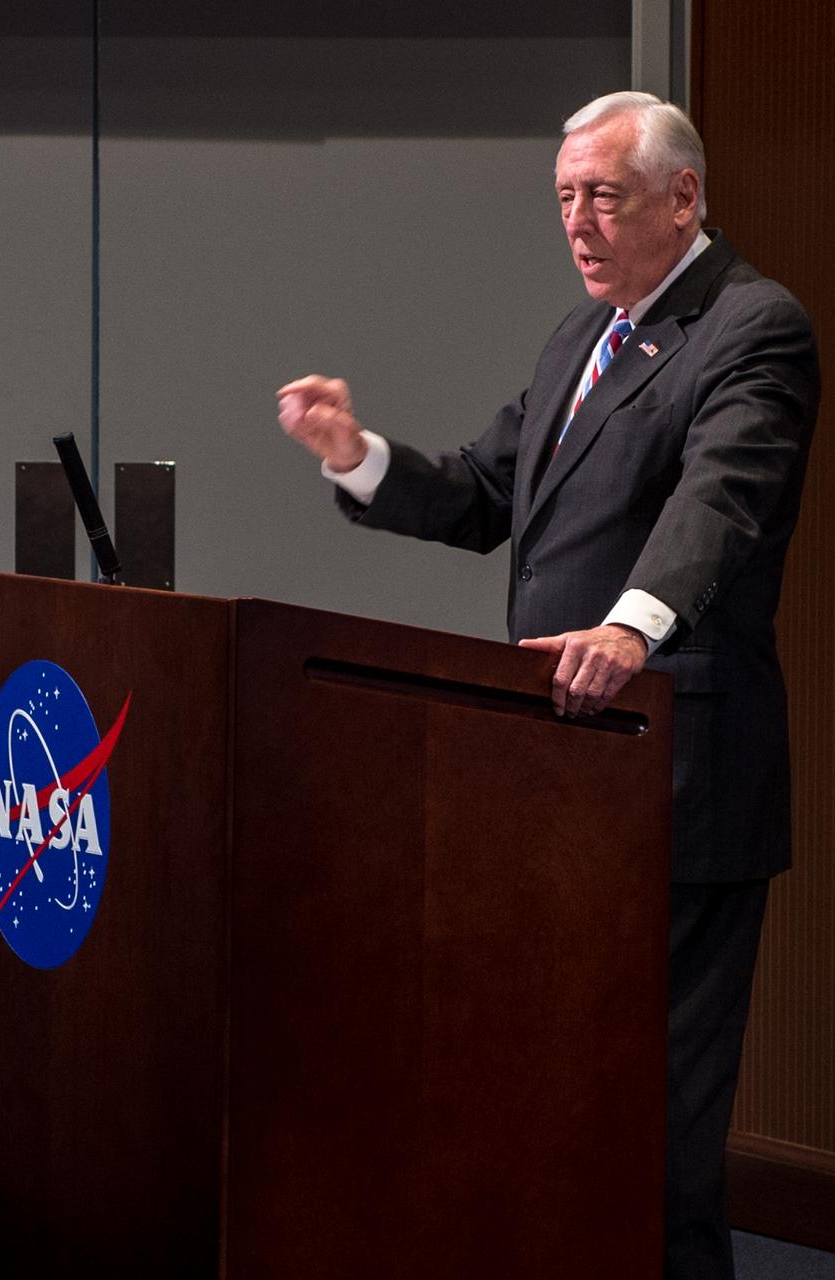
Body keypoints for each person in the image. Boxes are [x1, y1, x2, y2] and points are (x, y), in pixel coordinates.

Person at [276, 91, 820, 1280]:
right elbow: (482, 492)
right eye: (564, 196)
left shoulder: (750, 326)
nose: (576, 221)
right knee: (558, 1099)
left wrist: (629, 626)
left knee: (656, 1125)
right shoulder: (583, 335)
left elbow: (718, 501)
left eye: (602, 196)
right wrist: (356, 459)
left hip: (676, 772)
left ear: (680, 197)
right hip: (556, 771)